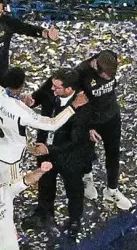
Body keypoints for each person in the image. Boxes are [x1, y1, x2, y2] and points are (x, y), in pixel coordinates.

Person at [0, 68, 85, 186]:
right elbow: (52, 124)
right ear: (22, 84)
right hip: (10, 157)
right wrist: (73, 107)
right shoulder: (23, 112)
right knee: (9, 189)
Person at [30, 69, 95, 238]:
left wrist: (49, 149)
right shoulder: (50, 94)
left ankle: (74, 219)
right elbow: (36, 100)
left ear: (69, 89)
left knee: (73, 189)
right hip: (46, 149)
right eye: (52, 85)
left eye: (57, 87)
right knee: (45, 183)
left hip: (69, 156)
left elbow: (76, 140)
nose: (52, 89)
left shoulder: (83, 107)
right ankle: (44, 212)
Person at [75, 50, 133, 210]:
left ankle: (112, 190)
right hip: (92, 122)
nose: (109, 78)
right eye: (106, 76)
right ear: (97, 68)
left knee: (113, 154)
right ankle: (87, 179)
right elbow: (77, 105)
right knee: (87, 154)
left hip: (112, 116)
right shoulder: (81, 73)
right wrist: (87, 127)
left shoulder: (109, 56)